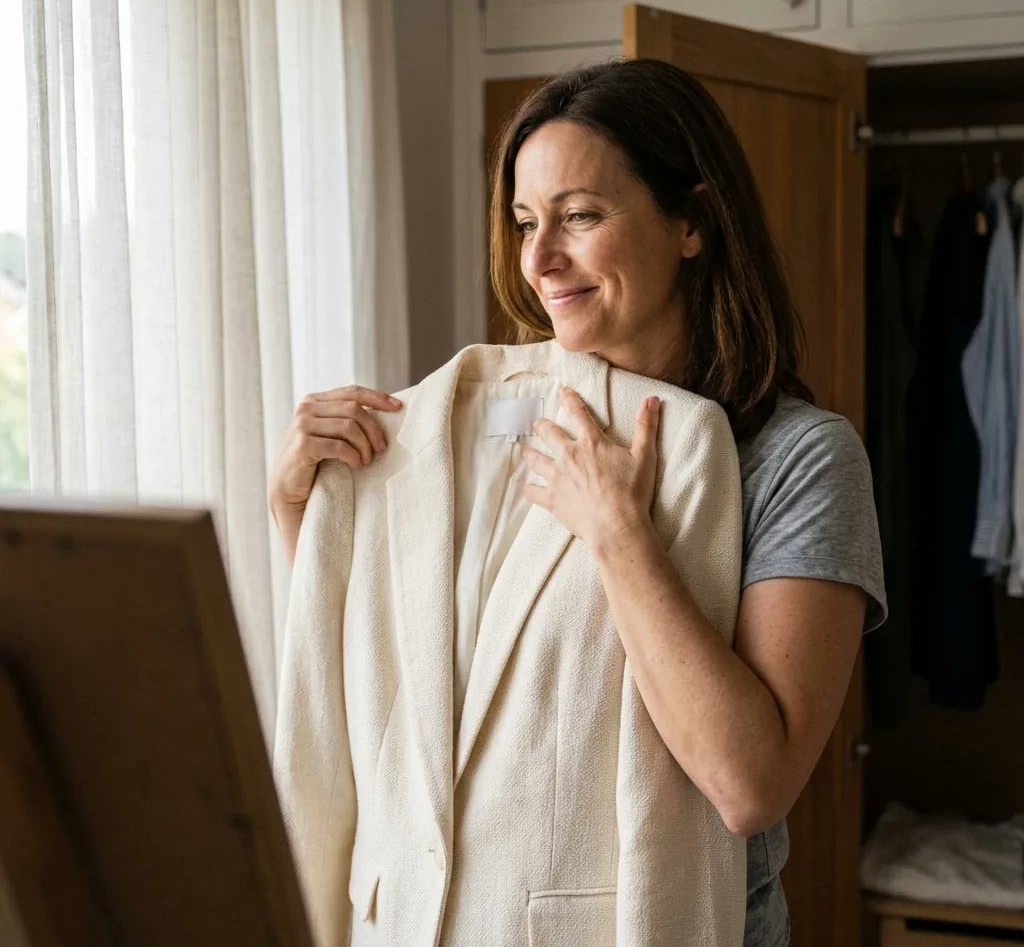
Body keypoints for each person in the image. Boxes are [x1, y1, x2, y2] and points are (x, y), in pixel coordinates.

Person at [268, 58, 886, 947]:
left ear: (692, 223)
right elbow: (422, 668)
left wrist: (619, 535)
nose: (538, 259)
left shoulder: (802, 457)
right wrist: (307, 507)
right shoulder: (490, 419)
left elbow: (751, 785)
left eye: (580, 216)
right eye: (526, 222)